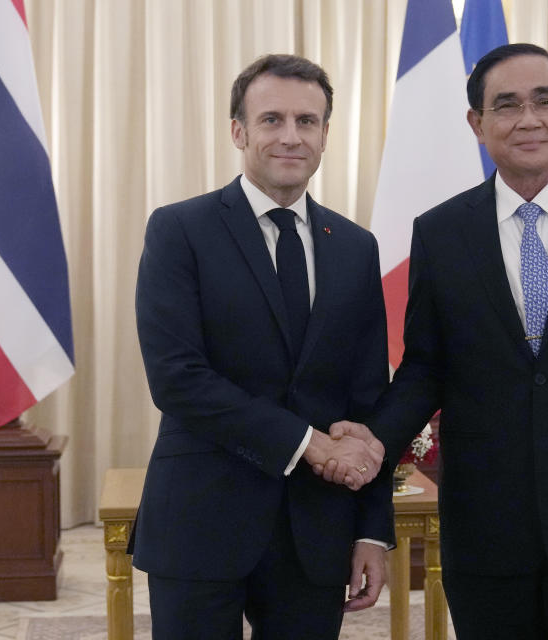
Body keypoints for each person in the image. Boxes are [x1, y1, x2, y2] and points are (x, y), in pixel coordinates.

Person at [325, 43, 548, 639]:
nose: (529, 119)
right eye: (507, 105)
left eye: (545, 101)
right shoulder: (442, 232)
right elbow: (424, 368)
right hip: (484, 518)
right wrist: (372, 439)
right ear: (478, 123)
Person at [129, 54, 393, 640]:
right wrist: (310, 446)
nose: (291, 136)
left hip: (317, 532)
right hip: (200, 521)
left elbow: (368, 399)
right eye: (272, 119)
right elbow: (177, 379)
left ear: (326, 134)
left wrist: (372, 531)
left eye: (308, 121)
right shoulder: (179, 230)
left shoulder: (356, 247)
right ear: (238, 131)